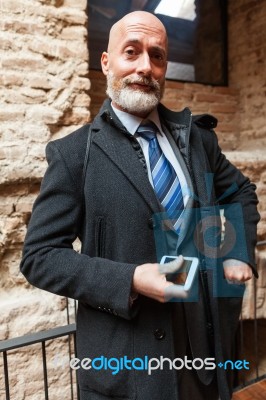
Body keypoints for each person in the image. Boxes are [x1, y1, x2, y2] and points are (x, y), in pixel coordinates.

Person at [20, 11, 260, 400]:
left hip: (203, 351)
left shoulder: (197, 138)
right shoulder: (73, 155)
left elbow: (241, 192)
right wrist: (130, 280)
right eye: (131, 52)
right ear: (106, 62)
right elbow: (39, 257)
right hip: (129, 366)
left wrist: (237, 252)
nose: (144, 66)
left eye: (157, 55)